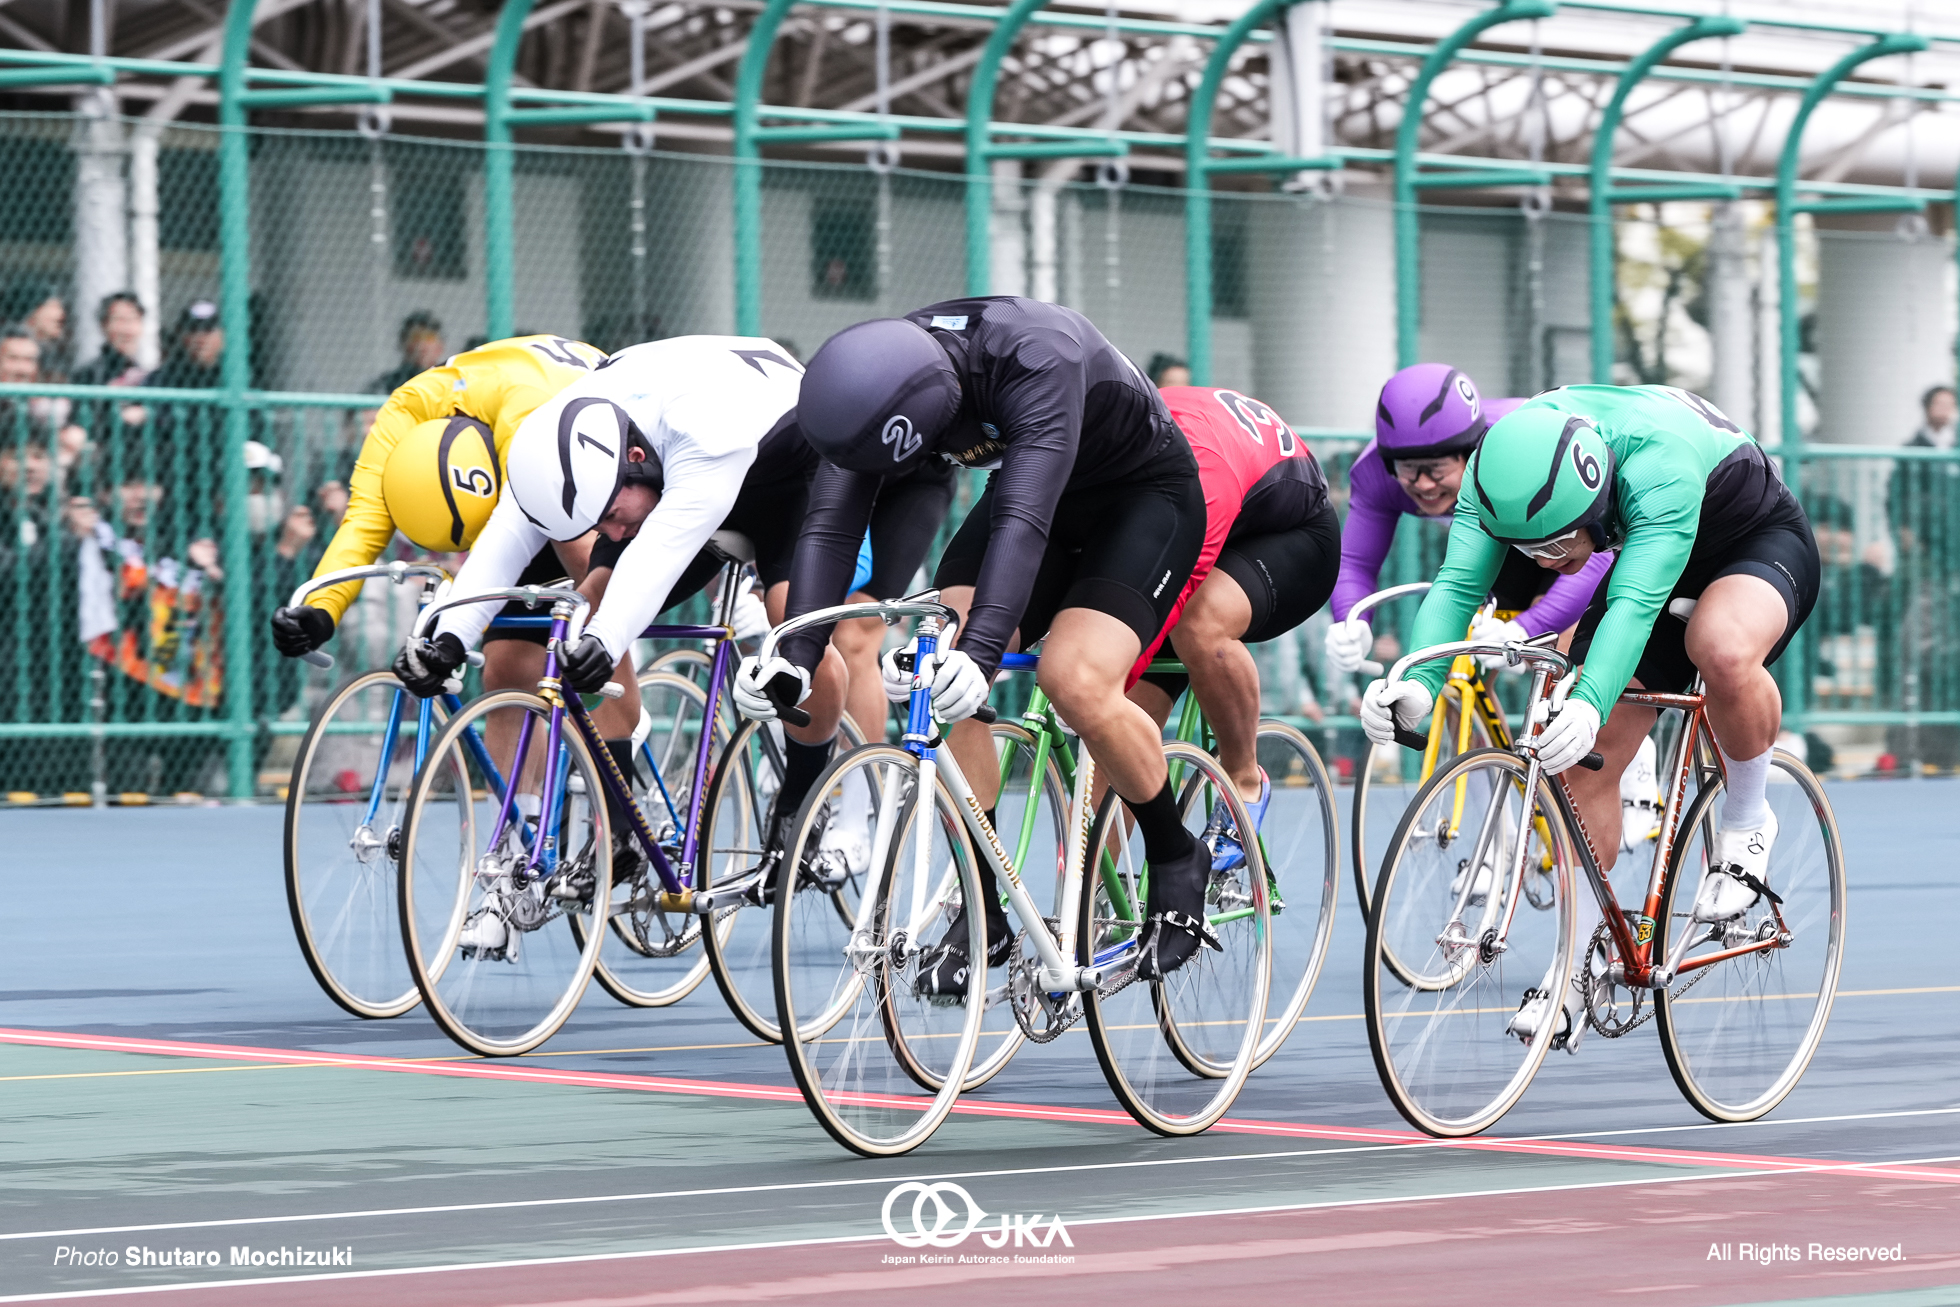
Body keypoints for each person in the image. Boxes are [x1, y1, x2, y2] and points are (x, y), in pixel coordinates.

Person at [756, 297, 1213, 985]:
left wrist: (983, 654)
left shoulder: (1034, 359)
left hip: (1141, 499)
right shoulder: (871, 380)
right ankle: (984, 902)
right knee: (935, 664)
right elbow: (827, 529)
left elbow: (1024, 524)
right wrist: (792, 655)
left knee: (1073, 677)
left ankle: (1176, 853)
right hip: (1034, 495)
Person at [1360, 384, 1819, 1050]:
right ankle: (1573, 966)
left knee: (1717, 646)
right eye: (1531, 552)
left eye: (1555, 548)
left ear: (1595, 500)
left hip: (1747, 540)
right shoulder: (1494, 469)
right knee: (1582, 761)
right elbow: (1457, 586)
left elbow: (1633, 604)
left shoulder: (1655, 466)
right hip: (1638, 545)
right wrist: (1418, 683)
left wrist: (1590, 696)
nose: (1546, 566)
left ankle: (1748, 818)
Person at [393, 336, 846, 907]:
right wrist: (447, 636)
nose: (606, 532)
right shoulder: (551, 433)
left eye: (608, 515)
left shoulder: (702, 434)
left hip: (786, 468)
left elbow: (657, 559)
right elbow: (504, 542)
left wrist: (604, 643)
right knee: (590, 600)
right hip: (670, 463)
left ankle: (802, 800)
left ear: (634, 463)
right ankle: (623, 827)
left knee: (793, 629)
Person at [271, 334, 634, 813]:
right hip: (513, 430)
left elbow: (566, 539)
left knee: (585, 575)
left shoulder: (524, 417)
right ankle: (513, 848)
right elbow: (363, 522)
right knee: (506, 669)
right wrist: (320, 609)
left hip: (594, 437)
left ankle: (622, 780)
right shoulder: (399, 421)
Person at [1128, 385, 1339, 870]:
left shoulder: (1194, 464)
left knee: (1200, 621)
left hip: (1290, 534)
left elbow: (1172, 586)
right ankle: (1097, 905)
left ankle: (1244, 779)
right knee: (1117, 734)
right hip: (1208, 506)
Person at [1325, 366, 1605, 678]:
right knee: (1463, 666)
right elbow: (1355, 561)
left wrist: (1528, 627)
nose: (1424, 484)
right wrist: (1352, 620)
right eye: (1408, 469)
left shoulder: (1517, 453)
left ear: (1472, 453)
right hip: (1494, 534)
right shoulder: (1375, 473)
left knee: (1558, 649)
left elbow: (1596, 556)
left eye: (1437, 468)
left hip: (1557, 530)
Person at [367, 312, 447, 395]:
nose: (422, 346)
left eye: (429, 338)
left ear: (440, 346)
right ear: (404, 344)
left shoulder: (449, 380)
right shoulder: (389, 383)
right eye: (416, 338)